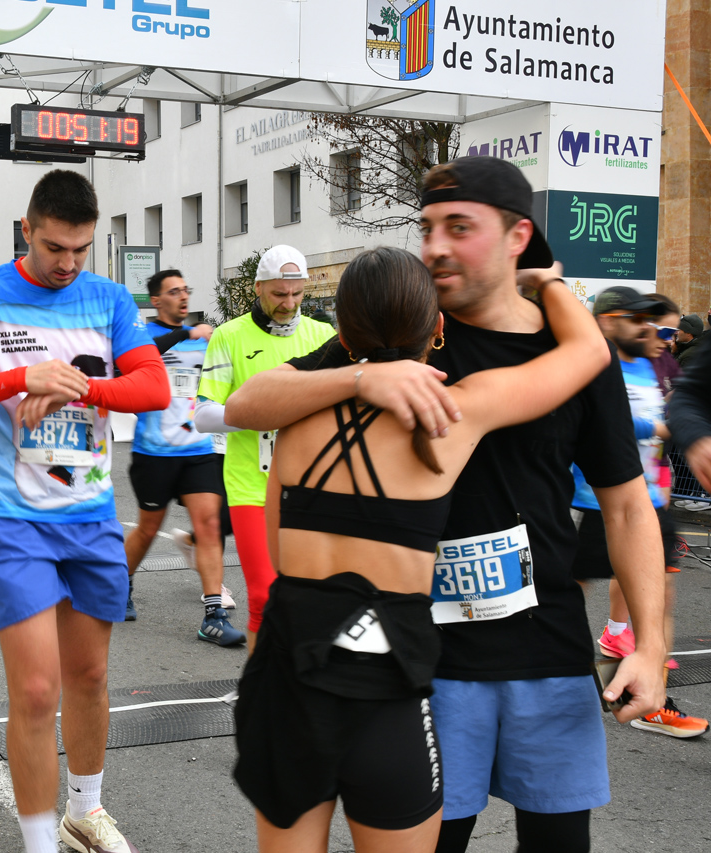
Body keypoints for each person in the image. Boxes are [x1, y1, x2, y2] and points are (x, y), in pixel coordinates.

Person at [224, 156, 667, 853]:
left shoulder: (552, 352)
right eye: (427, 227)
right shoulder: (408, 340)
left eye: (459, 227)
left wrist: (651, 644)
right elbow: (251, 400)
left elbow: (629, 507)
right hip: (424, 662)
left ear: (517, 236)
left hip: (540, 650)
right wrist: (362, 376)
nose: (435, 246)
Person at [0, 170, 168, 853]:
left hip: (90, 517)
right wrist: (20, 377)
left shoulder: (107, 298)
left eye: (81, 249)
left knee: (89, 676)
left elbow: (153, 386)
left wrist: (77, 387)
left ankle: (84, 812)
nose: (68, 263)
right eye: (55, 247)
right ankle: (37, 843)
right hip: (12, 519)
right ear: (26, 230)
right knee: (35, 689)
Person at [568, 286, 708, 740]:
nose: (650, 331)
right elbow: (601, 421)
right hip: (597, 501)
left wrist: (663, 472)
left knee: (659, 596)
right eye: (637, 320)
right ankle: (553, 677)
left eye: (655, 323)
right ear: (607, 322)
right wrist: (659, 426)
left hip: (647, 502)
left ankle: (649, 695)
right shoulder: (594, 365)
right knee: (562, 595)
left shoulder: (649, 367)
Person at [193, 245, 333, 652]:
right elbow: (203, 415)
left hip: (310, 484)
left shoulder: (323, 336)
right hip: (251, 486)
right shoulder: (229, 335)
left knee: (310, 597)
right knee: (262, 596)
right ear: (258, 288)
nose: (288, 304)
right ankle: (259, 683)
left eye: (296, 294)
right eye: (278, 294)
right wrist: (262, 413)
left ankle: (295, 679)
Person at [124, 268, 243, 645]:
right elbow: (137, 361)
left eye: (185, 290)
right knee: (147, 530)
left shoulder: (204, 340)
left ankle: (214, 615)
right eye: (174, 291)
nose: (183, 296)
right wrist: (185, 334)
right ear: (156, 300)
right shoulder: (143, 336)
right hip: (154, 453)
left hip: (198, 450)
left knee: (209, 524)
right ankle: (120, 583)